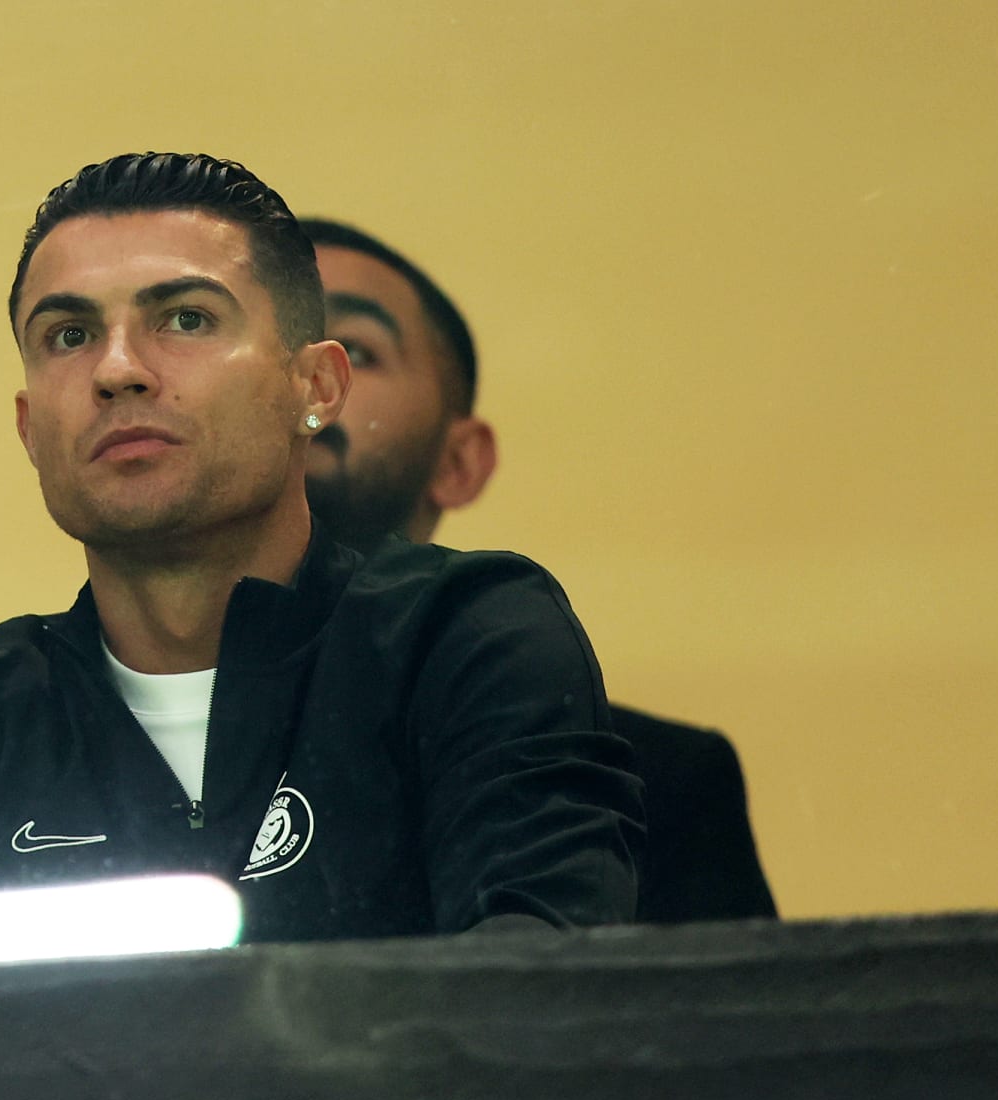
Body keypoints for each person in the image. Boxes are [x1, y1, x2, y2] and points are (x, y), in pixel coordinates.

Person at [0, 153, 643, 968]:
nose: (118, 370)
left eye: (184, 319)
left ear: (316, 387)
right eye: (67, 335)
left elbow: (542, 998)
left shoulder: (460, 633)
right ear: (30, 430)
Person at [299, 217, 776, 923]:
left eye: (357, 353)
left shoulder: (656, 786)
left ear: (458, 462)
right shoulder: (86, 728)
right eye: (267, 346)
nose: (305, 382)